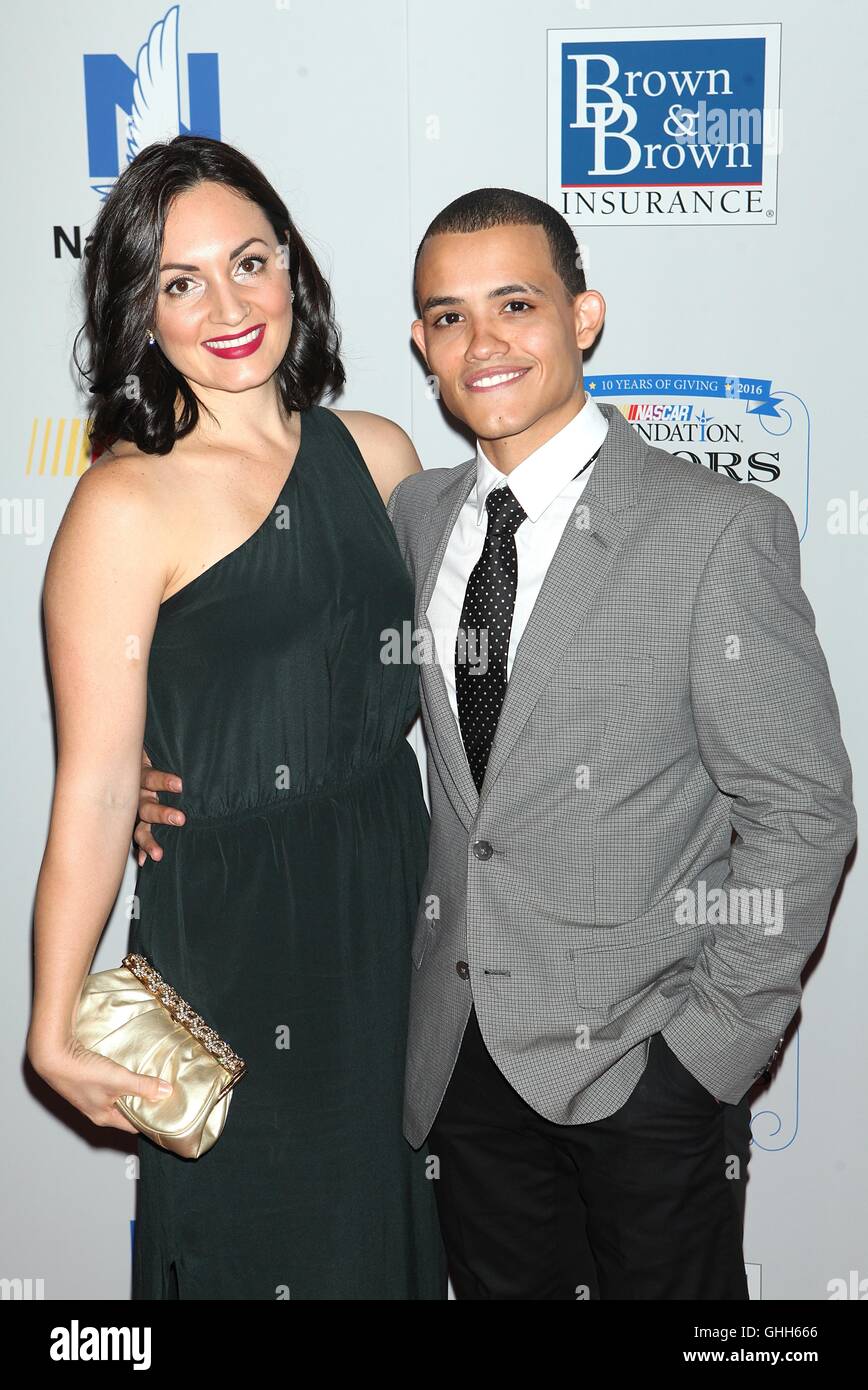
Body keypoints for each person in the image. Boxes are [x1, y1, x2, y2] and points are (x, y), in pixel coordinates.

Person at [134, 187, 857, 1300]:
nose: (484, 342)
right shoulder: (412, 516)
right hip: (457, 1077)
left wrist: (707, 1052)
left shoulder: (713, 530)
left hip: (645, 1074)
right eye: (448, 316)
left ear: (584, 315)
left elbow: (803, 815)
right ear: (422, 346)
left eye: (515, 303)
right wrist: (167, 765)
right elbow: (290, 654)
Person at [26, 134, 447, 1301]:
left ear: (293, 271)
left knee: (388, 1237)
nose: (225, 304)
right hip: (236, 935)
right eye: (179, 281)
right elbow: (101, 786)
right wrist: (52, 1020)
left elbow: (451, 699)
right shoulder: (125, 502)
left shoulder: (379, 453)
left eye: (248, 261)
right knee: (261, 1244)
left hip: (392, 909)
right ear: (139, 314)